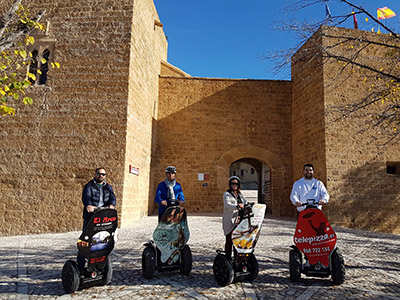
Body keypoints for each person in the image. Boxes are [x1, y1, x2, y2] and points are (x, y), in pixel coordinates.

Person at [78, 167, 116, 271]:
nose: (101, 176)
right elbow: (86, 197)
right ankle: (80, 265)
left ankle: (100, 264)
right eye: (99, 174)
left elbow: (112, 197)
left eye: (103, 174)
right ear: (95, 174)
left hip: (103, 217)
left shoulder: (108, 187)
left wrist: (112, 204)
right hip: (90, 217)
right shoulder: (89, 186)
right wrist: (89, 205)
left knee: (102, 240)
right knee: (86, 240)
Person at [223, 176, 246, 260]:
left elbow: (245, 203)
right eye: (232, 184)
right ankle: (228, 258)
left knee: (238, 240)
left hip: (240, 221)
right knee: (229, 239)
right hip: (230, 220)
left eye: (236, 184)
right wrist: (237, 206)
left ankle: (237, 258)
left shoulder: (240, 195)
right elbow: (227, 204)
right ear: (230, 185)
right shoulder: (227, 194)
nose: (234, 185)